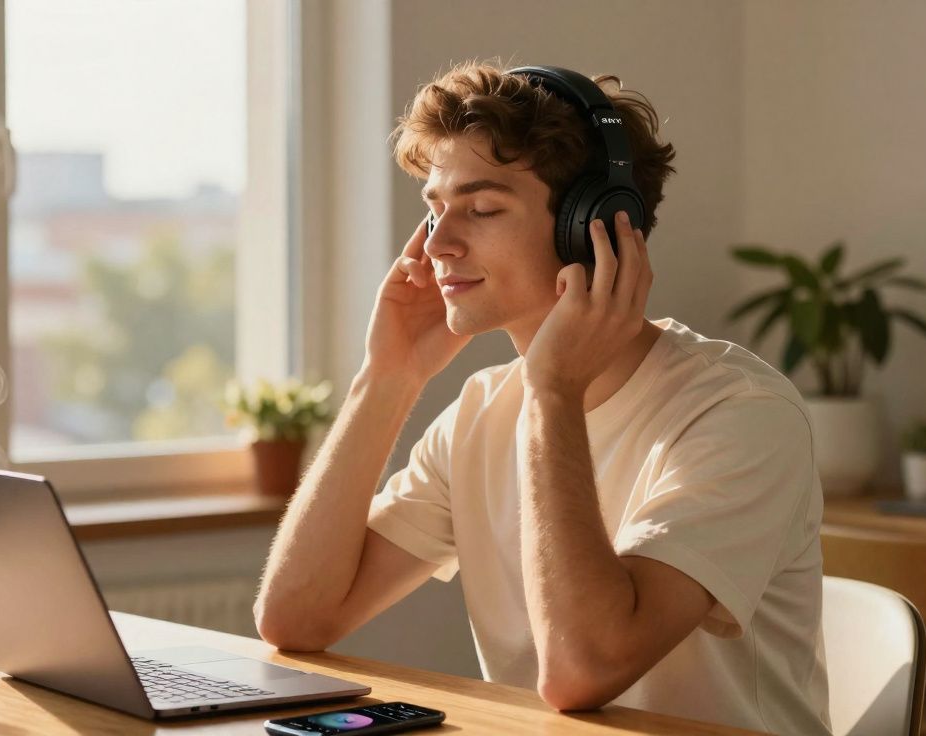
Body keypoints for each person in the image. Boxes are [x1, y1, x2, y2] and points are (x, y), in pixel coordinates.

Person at [253, 59, 831, 735]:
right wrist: (386, 378)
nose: (438, 244)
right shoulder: (479, 411)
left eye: (483, 208)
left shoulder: (740, 414)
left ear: (597, 225)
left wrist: (553, 394)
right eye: (435, 208)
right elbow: (295, 618)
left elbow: (581, 670)